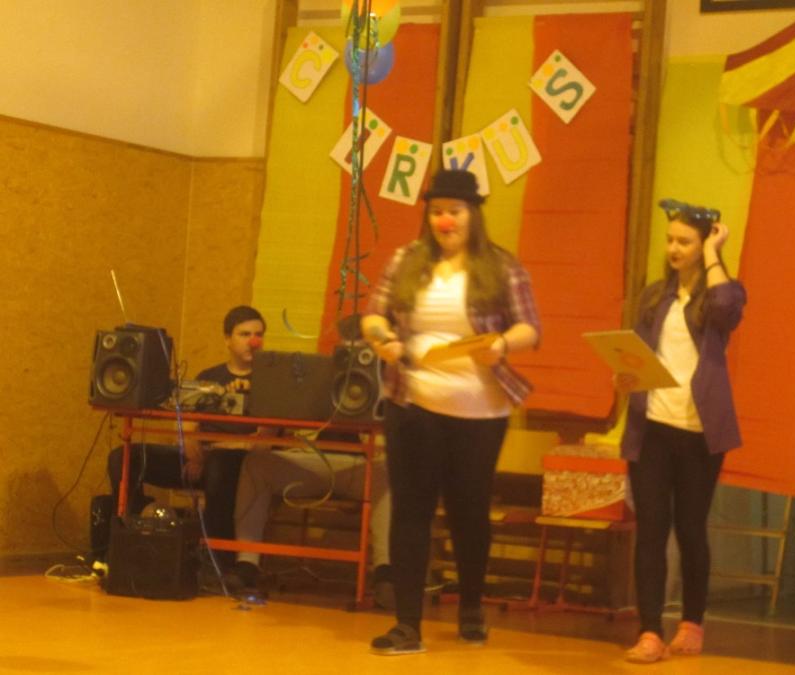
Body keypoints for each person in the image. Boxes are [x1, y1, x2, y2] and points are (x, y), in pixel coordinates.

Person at [361, 169, 541, 655]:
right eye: (437, 211)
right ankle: (407, 626)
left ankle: (471, 609)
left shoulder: (500, 267)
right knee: (411, 511)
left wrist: (502, 343)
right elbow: (374, 313)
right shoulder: (406, 260)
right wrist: (383, 340)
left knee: (469, 513)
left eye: (454, 211)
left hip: (480, 414)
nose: (445, 220)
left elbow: (530, 328)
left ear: (473, 214)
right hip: (412, 404)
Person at [616, 200, 746, 663]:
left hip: (698, 431)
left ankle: (692, 623)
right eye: (670, 240)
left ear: (703, 243)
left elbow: (727, 309)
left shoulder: (721, 293)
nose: (673, 248)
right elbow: (636, 354)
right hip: (652, 426)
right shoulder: (655, 296)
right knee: (651, 529)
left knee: (690, 528)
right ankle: (650, 631)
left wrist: (713, 252)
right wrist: (625, 373)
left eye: (684, 241)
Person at [106, 305, 266, 566]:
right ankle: (133, 542)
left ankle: (217, 561)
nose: (253, 341)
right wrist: (195, 455)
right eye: (244, 334)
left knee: (219, 465)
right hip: (198, 457)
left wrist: (214, 452)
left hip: (238, 464)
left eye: (258, 334)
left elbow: (263, 441)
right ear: (227, 339)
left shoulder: (269, 382)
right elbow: (186, 427)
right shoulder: (209, 377)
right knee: (122, 457)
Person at [231, 429, 394, 605]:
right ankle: (247, 563)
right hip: (304, 457)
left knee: (389, 471)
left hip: (360, 461)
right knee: (255, 463)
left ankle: (386, 573)